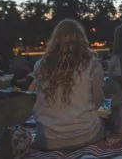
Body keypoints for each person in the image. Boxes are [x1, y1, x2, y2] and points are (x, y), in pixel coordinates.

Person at [33, 19, 105, 150]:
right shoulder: (93, 65)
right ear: (81, 39)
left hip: (47, 139)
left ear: (55, 39)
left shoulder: (39, 66)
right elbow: (98, 102)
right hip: (85, 135)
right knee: (107, 123)